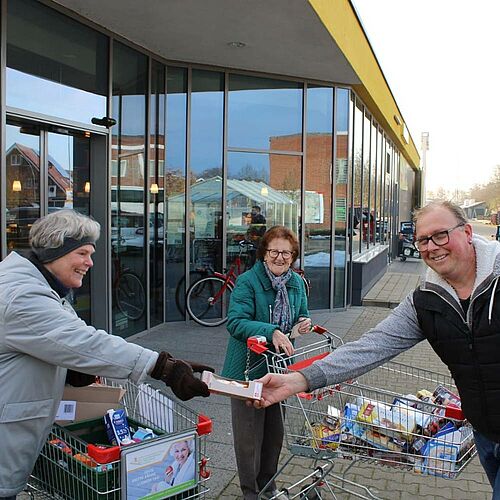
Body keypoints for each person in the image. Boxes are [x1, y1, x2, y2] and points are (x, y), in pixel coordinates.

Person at [254, 201, 500, 499]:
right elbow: (371, 346)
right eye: (422, 240)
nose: (432, 246)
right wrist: (298, 379)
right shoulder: (426, 300)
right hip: (485, 433)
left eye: (441, 235)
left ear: (468, 232)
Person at [0, 210, 213, 500]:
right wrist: (162, 367)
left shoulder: (40, 287)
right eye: (82, 253)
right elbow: (84, 342)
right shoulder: (22, 295)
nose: (90, 263)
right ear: (55, 252)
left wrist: (73, 367)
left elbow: (65, 342)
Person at [221, 225, 311, 500]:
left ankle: (268, 487)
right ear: (264, 253)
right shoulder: (248, 282)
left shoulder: (296, 283)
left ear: (293, 256)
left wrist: (303, 323)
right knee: (249, 438)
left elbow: (302, 313)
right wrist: (270, 330)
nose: (280, 258)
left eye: (286, 253)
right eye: (274, 251)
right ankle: (251, 493)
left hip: (279, 370)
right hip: (247, 370)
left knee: (274, 435)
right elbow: (235, 322)